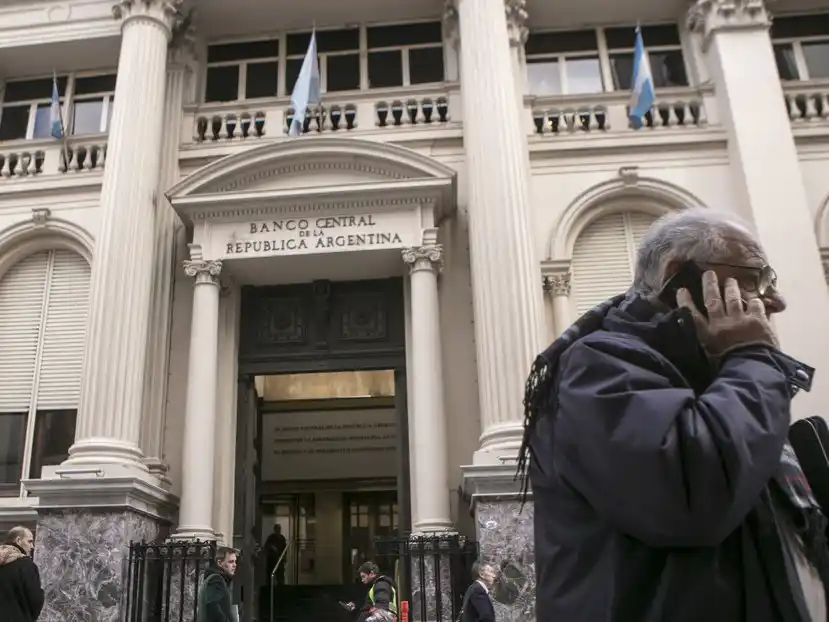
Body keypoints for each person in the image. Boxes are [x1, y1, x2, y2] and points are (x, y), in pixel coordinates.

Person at [518, 208, 828, 622]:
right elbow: (694, 491)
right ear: (680, 273)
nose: (774, 300)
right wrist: (754, 356)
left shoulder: (715, 376)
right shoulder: (599, 365)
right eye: (755, 278)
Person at [0, 526, 43, 622]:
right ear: (18, 540)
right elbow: (35, 599)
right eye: (29, 541)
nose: (32, 546)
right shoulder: (25, 565)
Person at [197, 547, 238, 622]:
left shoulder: (221, 579)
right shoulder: (216, 579)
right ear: (219, 563)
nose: (234, 565)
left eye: (235, 561)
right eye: (231, 562)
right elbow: (213, 607)